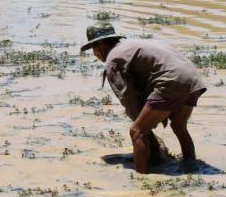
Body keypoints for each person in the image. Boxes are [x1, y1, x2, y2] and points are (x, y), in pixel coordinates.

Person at [81, 22, 207, 174]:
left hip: (172, 81)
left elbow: (129, 101)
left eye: (93, 49)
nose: (95, 54)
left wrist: (144, 130)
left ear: (100, 45)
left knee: (136, 131)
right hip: (193, 80)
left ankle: (142, 178)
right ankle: (190, 166)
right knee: (179, 127)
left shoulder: (113, 59)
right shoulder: (131, 45)